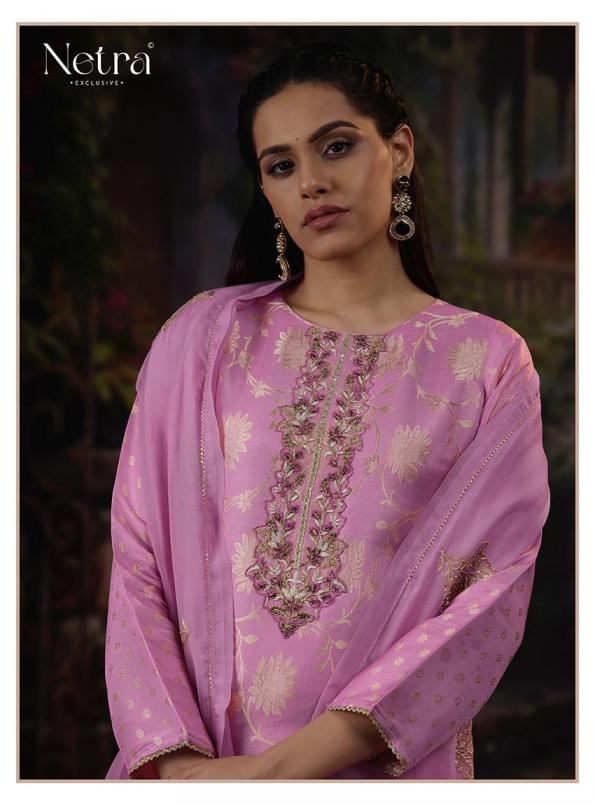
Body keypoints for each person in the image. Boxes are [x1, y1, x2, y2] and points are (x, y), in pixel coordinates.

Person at [104, 41, 550, 780]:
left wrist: (274, 775)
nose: (311, 181)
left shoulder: (486, 362)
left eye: (336, 146)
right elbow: (137, 555)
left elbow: (488, 597)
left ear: (398, 151)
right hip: (192, 772)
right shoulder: (204, 340)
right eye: (280, 165)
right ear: (266, 190)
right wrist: (181, 769)